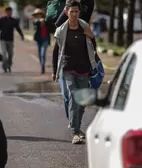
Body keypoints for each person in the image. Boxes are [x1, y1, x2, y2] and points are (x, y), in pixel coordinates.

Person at [54, 1, 96, 144]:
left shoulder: (84, 26)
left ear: (79, 12)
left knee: (82, 101)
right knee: (73, 96)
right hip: (68, 68)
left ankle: (77, 127)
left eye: (76, 11)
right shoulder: (61, 30)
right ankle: (75, 131)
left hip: (84, 68)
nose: (74, 14)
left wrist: (92, 36)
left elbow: (92, 47)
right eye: (71, 11)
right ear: (67, 12)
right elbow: (56, 51)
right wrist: (55, 70)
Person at [0, 7, 24, 73]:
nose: (9, 13)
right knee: (4, 54)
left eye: (10, 12)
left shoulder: (13, 20)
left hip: (10, 40)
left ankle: (9, 65)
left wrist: (22, 35)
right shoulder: (1, 20)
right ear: (5, 12)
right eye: (8, 12)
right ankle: (4, 67)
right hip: (3, 39)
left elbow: (18, 28)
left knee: (10, 54)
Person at [32, 8, 51, 74]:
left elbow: (49, 29)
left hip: (45, 39)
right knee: (40, 54)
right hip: (38, 40)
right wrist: (40, 21)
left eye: (39, 14)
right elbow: (36, 24)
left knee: (43, 54)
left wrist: (44, 21)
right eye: (37, 14)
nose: (38, 15)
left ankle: (43, 67)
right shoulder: (35, 21)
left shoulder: (46, 21)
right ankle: (42, 65)